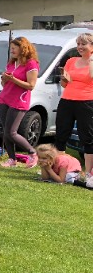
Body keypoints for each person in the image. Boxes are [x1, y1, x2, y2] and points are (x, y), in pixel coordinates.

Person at [55, 32, 93, 183]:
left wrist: (91, 60)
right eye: (78, 44)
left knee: (87, 137)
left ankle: (89, 174)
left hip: (86, 102)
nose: (80, 47)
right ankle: (58, 168)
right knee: (61, 134)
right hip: (67, 100)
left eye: (83, 44)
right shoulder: (71, 61)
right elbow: (65, 84)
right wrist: (64, 79)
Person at [0, 36, 39, 168]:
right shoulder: (12, 63)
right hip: (5, 98)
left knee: (12, 132)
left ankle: (32, 152)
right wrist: (4, 79)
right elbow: (5, 85)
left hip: (19, 101)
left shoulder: (31, 64)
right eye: (11, 48)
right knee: (6, 131)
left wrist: (13, 79)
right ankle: (12, 159)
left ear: (23, 48)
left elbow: (31, 85)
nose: (12, 50)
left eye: (15, 48)